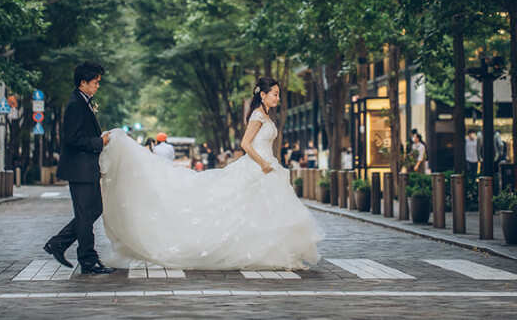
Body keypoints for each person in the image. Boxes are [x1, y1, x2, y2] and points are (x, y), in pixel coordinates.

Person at [98, 76, 321, 269]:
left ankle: (277, 252)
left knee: (268, 211)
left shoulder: (266, 115)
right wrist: (262, 163)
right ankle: (257, 251)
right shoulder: (257, 116)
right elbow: (245, 143)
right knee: (247, 210)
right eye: (274, 94)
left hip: (267, 166)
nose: (277, 98)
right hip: (258, 166)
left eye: (278, 94)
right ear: (262, 95)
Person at [44, 61, 115, 275]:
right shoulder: (76, 104)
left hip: (86, 168)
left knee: (93, 211)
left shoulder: (84, 102)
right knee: (86, 214)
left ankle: (58, 243)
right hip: (79, 169)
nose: (97, 86)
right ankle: (87, 260)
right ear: (83, 82)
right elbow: (72, 139)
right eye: (95, 82)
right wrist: (99, 142)